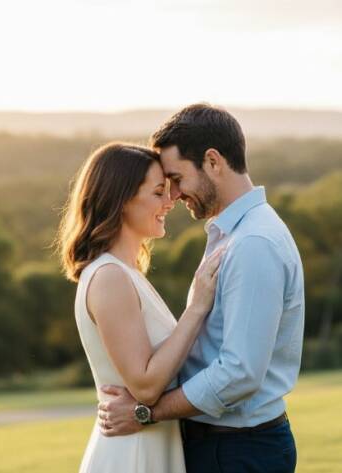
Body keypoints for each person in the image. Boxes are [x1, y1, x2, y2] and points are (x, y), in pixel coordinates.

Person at [98, 103, 305, 473]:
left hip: (236, 450)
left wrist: (147, 412)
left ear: (213, 162)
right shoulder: (233, 234)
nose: (173, 195)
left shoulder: (253, 243)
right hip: (224, 446)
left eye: (176, 179)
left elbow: (239, 373)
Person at [57, 142, 224, 472]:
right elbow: (145, 386)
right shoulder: (109, 278)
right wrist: (197, 306)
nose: (170, 200)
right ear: (121, 201)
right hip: (131, 454)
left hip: (150, 445)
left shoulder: (127, 274)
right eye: (158, 192)